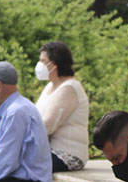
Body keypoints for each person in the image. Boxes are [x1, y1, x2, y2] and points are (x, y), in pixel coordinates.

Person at [34, 41, 89, 172]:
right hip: (48, 151)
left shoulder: (69, 88)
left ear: (55, 63)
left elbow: (47, 125)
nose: (39, 65)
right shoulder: (49, 87)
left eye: (43, 61)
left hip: (67, 155)